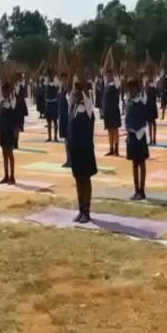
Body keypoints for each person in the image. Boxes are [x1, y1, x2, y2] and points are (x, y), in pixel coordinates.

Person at [67, 74, 97, 223]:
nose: (77, 91)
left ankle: (87, 211)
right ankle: (80, 209)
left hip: (85, 148)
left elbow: (85, 91)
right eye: (76, 89)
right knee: (78, 178)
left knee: (86, 178)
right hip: (75, 149)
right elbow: (68, 89)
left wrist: (81, 76)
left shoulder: (88, 106)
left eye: (79, 89)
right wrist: (73, 75)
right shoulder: (71, 105)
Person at [125, 77, 149, 199]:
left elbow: (143, 90)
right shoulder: (128, 101)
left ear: (137, 89)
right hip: (131, 135)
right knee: (134, 163)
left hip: (140, 135)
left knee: (142, 163)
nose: (131, 91)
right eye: (129, 89)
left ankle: (142, 189)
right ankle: (136, 190)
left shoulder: (142, 100)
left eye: (133, 89)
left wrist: (139, 75)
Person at [0, 81, 17, 184]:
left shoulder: (12, 101)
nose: (4, 93)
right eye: (3, 91)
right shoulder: (0, 101)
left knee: (10, 153)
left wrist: (11, 84)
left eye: (6, 91)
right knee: (4, 153)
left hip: (9, 130)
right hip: (2, 131)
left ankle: (12, 176)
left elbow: (13, 98)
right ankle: (5, 175)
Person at [102, 50, 122, 156]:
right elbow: (104, 69)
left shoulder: (116, 83)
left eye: (110, 73)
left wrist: (111, 58)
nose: (109, 75)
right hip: (107, 110)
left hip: (114, 109)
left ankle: (116, 149)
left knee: (115, 129)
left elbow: (115, 71)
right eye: (108, 73)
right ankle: (111, 148)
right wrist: (107, 56)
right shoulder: (106, 83)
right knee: (109, 130)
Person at [58, 72, 71, 167]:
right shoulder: (61, 90)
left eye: (65, 79)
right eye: (62, 80)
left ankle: (71, 159)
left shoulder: (69, 92)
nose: (63, 81)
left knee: (70, 140)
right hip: (62, 117)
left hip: (69, 118)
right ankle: (68, 159)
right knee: (66, 140)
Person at [44, 70, 60, 142]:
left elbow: (58, 88)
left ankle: (55, 137)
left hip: (54, 102)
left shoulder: (55, 80)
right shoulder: (46, 81)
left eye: (51, 74)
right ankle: (49, 137)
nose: (50, 75)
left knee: (55, 121)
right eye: (49, 74)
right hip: (48, 103)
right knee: (48, 121)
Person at [145, 71, 159, 145]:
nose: (149, 77)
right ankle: (150, 139)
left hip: (153, 105)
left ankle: (154, 139)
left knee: (153, 123)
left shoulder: (154, 85)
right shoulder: (146, 84)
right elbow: (144, 93)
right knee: (149, 123)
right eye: (148, 76)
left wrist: (154, 87)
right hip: (148, 106)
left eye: (151, 76)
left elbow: (157, 93)